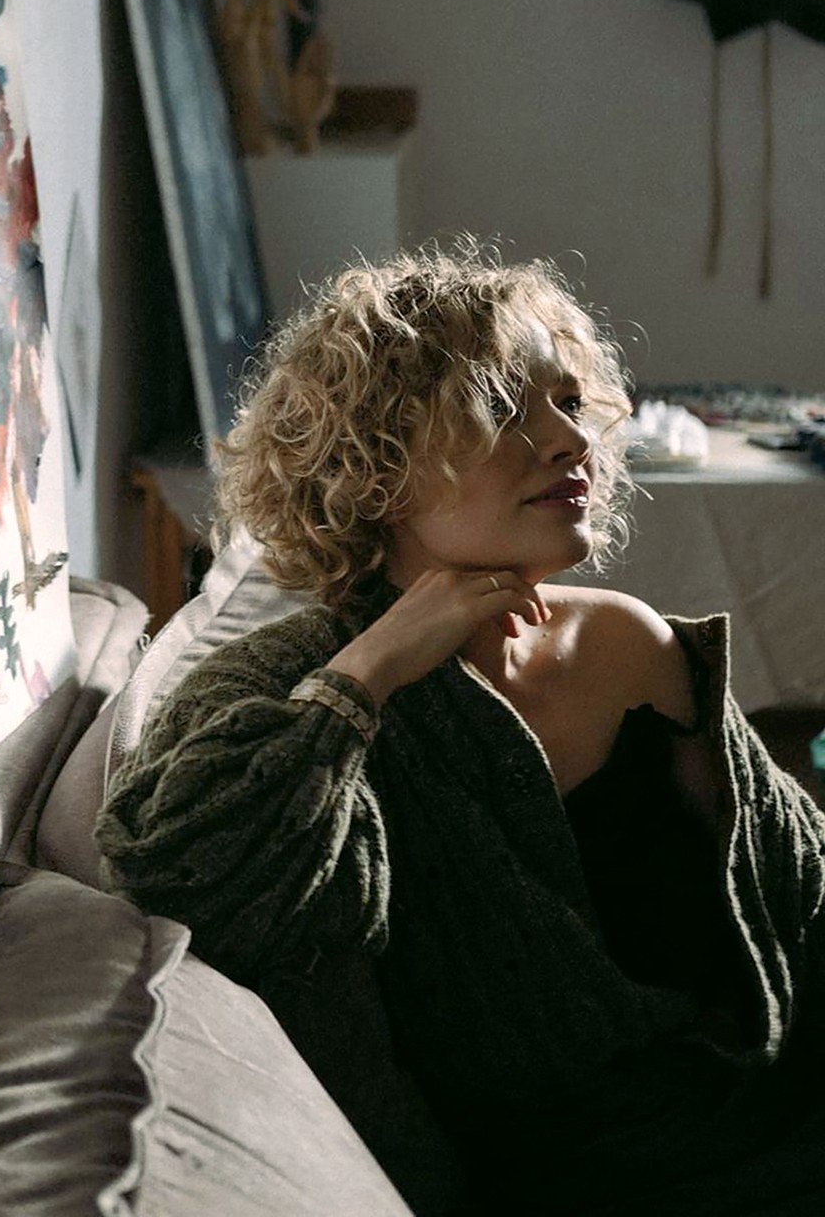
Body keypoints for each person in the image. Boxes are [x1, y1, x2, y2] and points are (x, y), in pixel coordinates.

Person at [95, 241, 825, 1214]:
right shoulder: (287, 683)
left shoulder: (626, 641)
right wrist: (370, 674)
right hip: (599, 1180)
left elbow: (797, 893)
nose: (568, 441)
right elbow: (181, 869)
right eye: (502, 406)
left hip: (775, 1103)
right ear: (375, 463)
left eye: (568, 402)